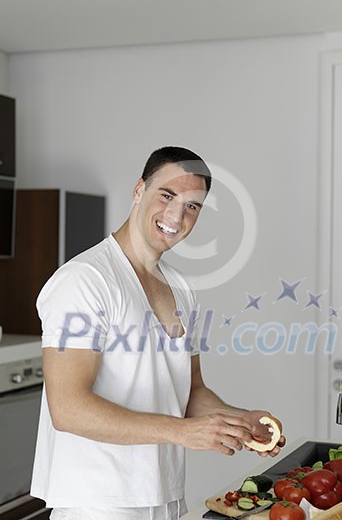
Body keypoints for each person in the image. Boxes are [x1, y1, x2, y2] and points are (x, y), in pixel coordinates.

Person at [30, 146, 285, 520]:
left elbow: (190, 392)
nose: (175, 215)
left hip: (164, 497)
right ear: (139, 190)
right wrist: (183, 433)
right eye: (167, 195)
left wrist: (239, 422)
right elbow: (68, 409)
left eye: (192, 206)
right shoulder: (84, 281)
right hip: (98, 502)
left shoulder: (182, 288)